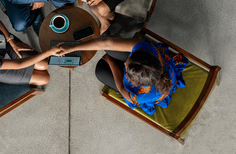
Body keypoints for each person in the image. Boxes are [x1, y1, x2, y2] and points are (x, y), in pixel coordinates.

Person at [57, 37, 187, 115]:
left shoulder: (141, 96)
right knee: (109, 48)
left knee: (100, 70)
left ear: (134, 81)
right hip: (154, 73)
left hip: (144, 90)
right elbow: (107, 42)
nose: (125, 63)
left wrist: (111, 61)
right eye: (128, 61)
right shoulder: (146, 48)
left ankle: (111, 61)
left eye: (126, 66)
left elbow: (120, 87)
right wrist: (71, 48)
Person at [0, 12, 61, 86]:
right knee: (45, 78)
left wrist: (11, 42)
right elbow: (19, 64)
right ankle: (28, 77)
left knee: (44, 64)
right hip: (0, 69)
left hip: (6, 44)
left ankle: (33, 62)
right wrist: (49, 52)